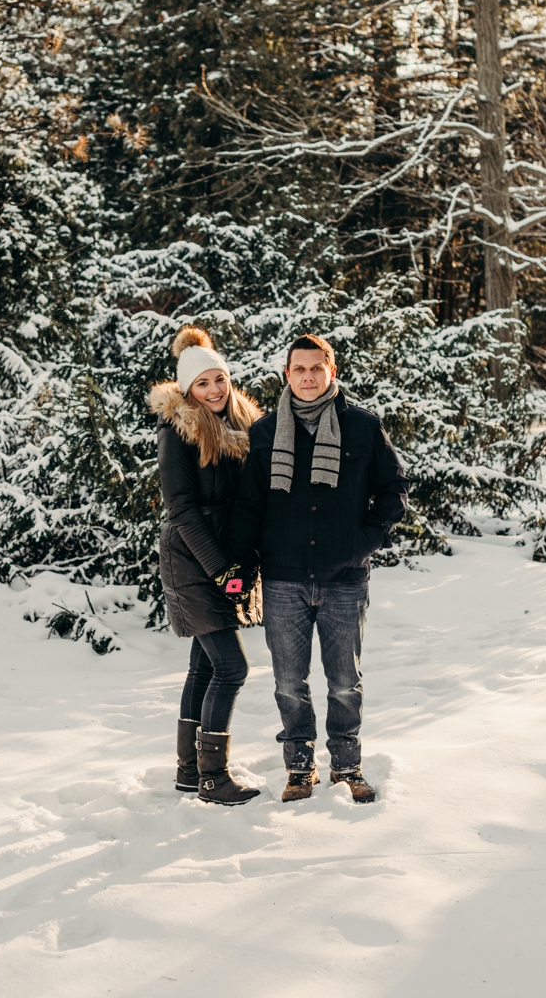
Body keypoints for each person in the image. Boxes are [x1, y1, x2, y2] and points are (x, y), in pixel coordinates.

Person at [230, 334, 409, 804]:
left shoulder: (363, 427)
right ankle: (299, 768)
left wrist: (364, 542)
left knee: (344, 681)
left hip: (345, 579)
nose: (308, 378)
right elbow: (250, 506)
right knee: (289, 683)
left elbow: (394, 492)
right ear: (286, 375)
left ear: (331, 370)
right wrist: (242, 565)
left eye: (316, 368)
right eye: (299, 369)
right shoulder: (266, 432)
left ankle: (347, 766)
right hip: (284, 577)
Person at [151, 324, 265, 807]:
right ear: (187, 389)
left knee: (203, 665)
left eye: (219, 379)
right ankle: (212, 777)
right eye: (203, 384)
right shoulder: (178, 429)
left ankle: (187, 770)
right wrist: (222, 570)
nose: (214, 390)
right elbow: (182, 508)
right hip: (192, 556)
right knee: (231, 667)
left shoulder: (239, 423)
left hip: (224, 557)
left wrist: (241, 562)